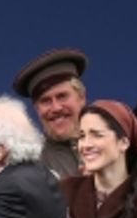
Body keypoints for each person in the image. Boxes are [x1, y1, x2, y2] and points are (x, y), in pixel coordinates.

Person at [11, 48, 87, 179]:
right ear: (36, 108)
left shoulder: (114, 145)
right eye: (45, 101)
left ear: (81, 97)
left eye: (62, 96)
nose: (56, 108)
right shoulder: (32, 165)